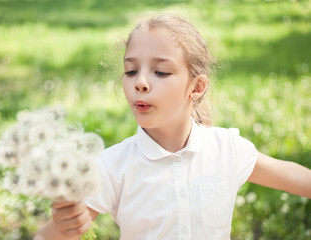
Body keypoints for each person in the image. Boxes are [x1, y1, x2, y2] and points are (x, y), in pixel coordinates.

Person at [35, 14, 311, 240]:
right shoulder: (113, 166)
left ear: (197, 87)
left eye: (161, 72)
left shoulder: (226, 149)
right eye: (131, 71)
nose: (139, 82)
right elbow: (50, 236)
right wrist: (62, 225)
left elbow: (292, 176)